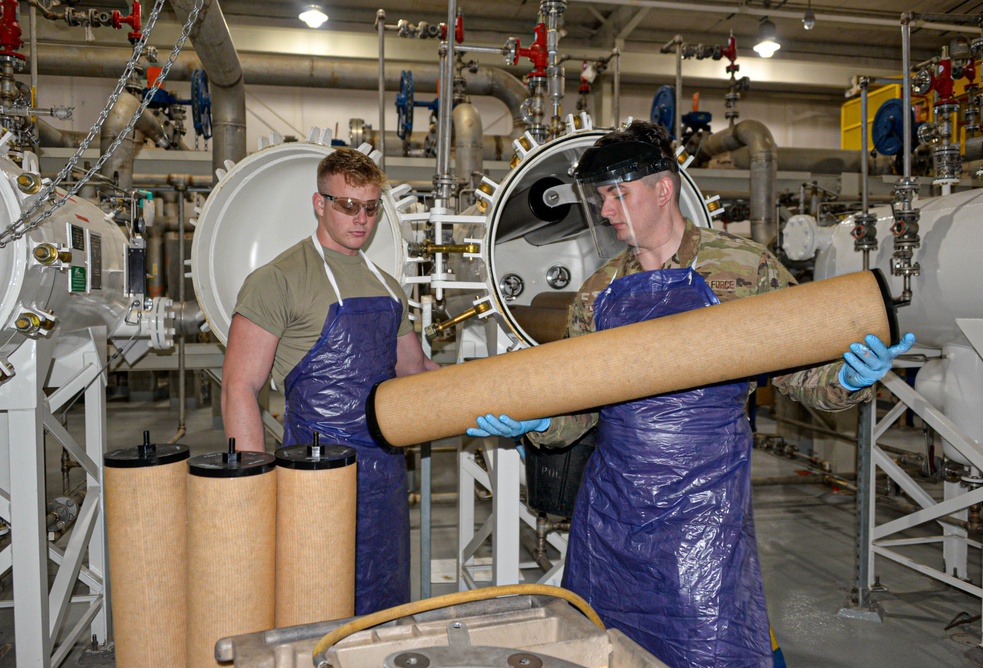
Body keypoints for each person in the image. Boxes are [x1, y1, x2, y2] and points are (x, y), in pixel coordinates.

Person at [468, 120, 915, 667]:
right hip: (615, 509)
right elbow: (578, 408)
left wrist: (848, 379)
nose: (606, 211)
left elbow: (802, 376)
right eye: (601, 197)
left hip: (705, 507)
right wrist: (534, 424)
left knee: (708, 646)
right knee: (606, 646)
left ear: (663, 189)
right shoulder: (597, 291)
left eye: (618, 194)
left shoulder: (745, 271)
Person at [221, 147, 438, 615]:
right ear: (319, 204)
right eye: (347, 205)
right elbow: (239, 385)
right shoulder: (277, 280)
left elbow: (415, 371)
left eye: (371, 208)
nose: (361, 219)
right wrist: (251, 486)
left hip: (384, 478)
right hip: (315, 475)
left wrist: (489, 395)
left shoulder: (386, 285)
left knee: (383, 602)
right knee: (317, 599)